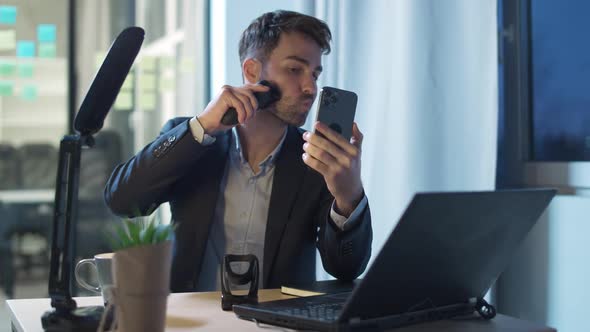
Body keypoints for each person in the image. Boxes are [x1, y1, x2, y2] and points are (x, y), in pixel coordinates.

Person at [104, 10, 372, 292]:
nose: (310, 87)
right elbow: (121, 200)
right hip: (196, 320)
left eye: (315, 73)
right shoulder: (192, 140)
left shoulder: (315, 158)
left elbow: (346, 269)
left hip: (277, 323)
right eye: (295, 69)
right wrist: (202, 125)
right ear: (252, 71)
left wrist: (348, 196)